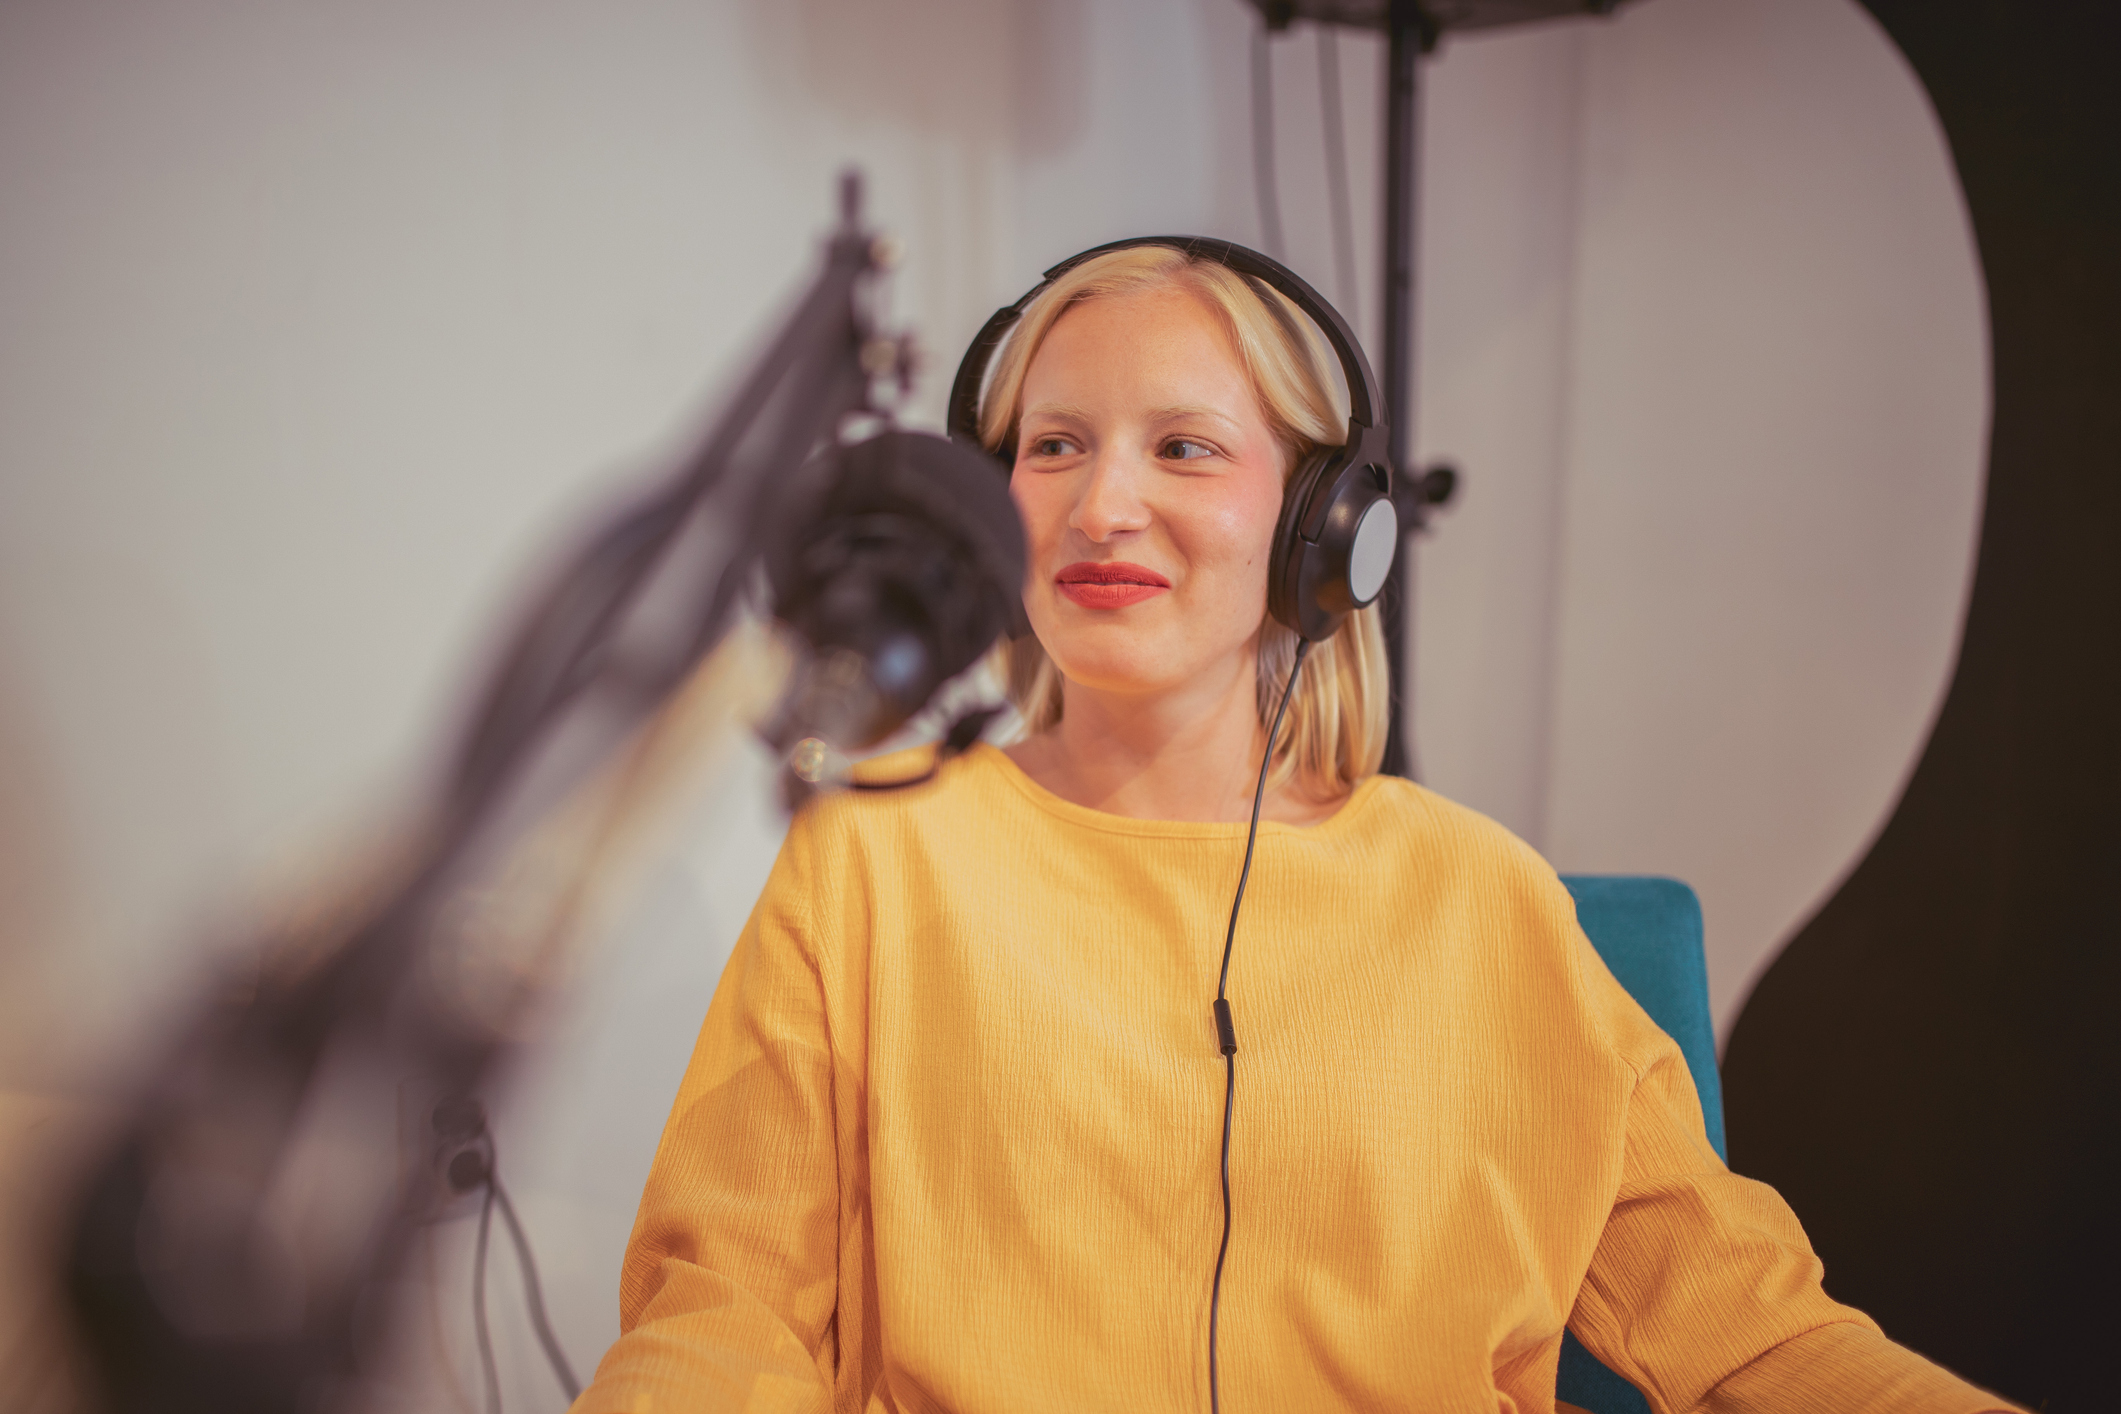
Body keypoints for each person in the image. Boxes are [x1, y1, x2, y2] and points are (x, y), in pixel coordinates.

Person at [573, 244, 2017, 1412]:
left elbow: (1748, 1335)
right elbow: (729, 1310)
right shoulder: (874, 855)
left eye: (1184, 448)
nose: (1101, 503)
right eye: (1052, 444)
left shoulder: (1480, 898)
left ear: (1328, 525)